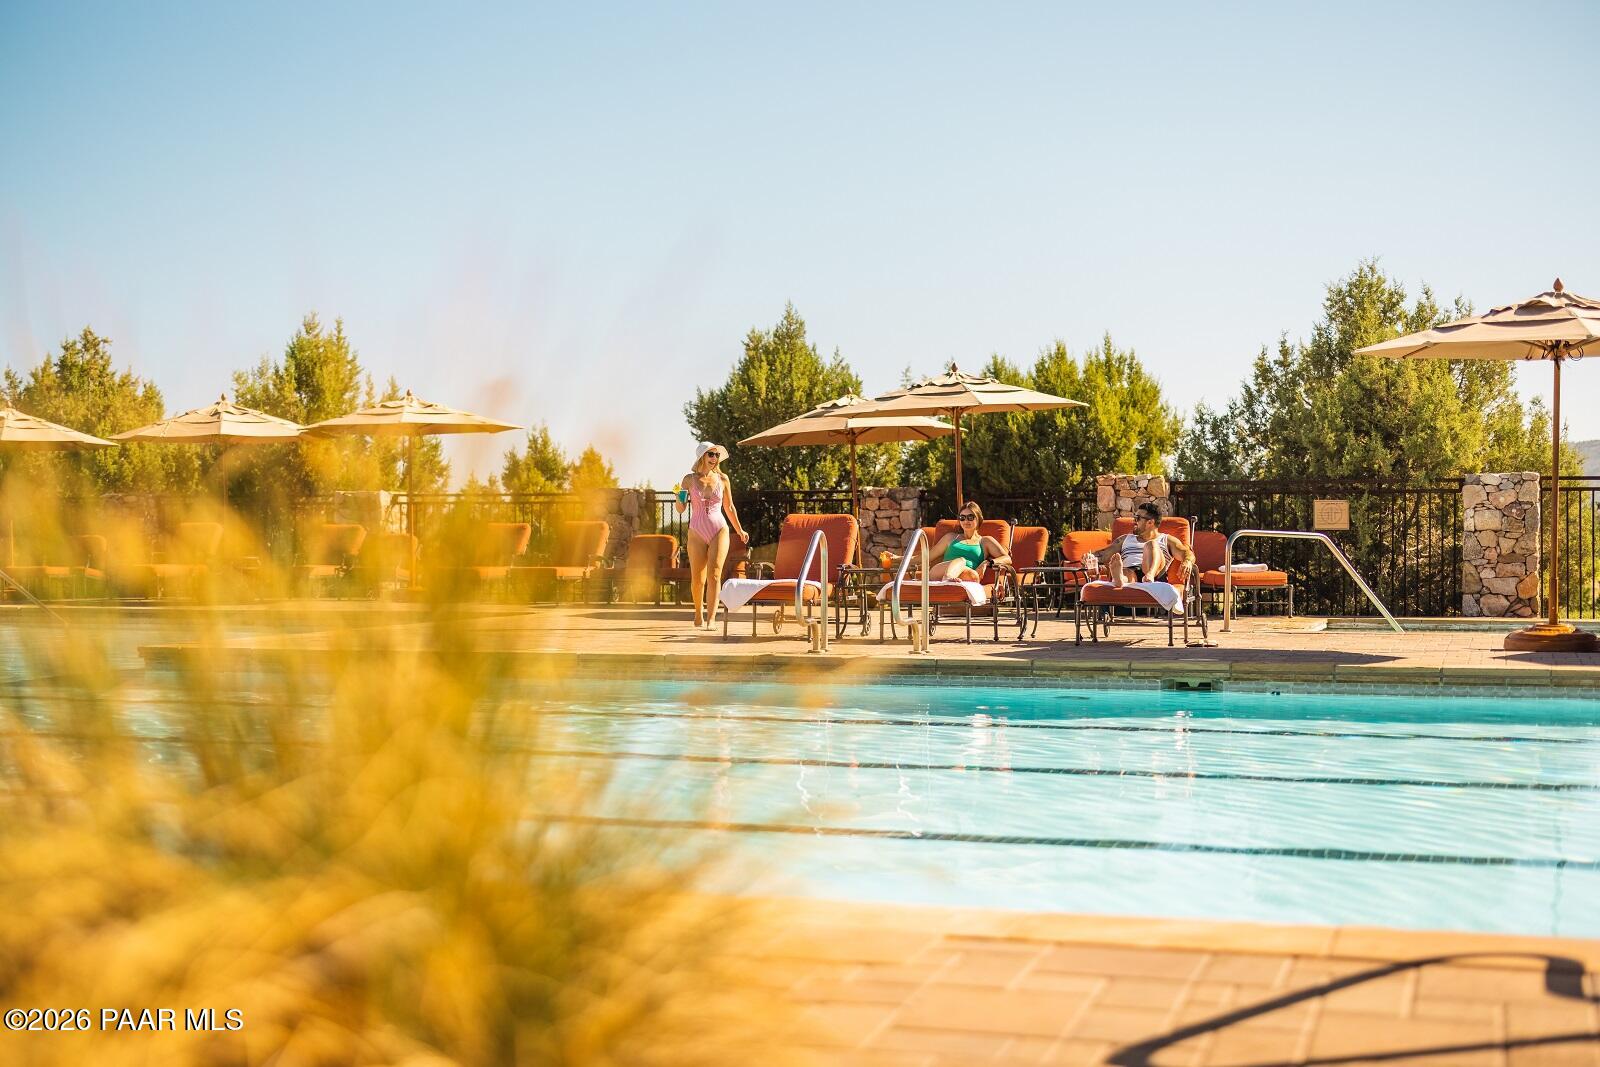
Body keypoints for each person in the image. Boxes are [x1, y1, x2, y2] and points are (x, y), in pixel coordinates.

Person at [675, 442, 748, 629]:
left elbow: (729, 507)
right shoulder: (688, 480)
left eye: (716, 455)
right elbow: (681, 509)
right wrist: (679, 496)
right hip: (696, 531)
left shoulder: (723, 479)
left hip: (719, 529)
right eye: (711, 455)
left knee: (714, 574)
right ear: (702, 457)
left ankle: (711, 618)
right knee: (697, 579)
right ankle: (698, 613)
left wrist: (739, 530)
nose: (715, 458)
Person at [886, 501, 1011, 581]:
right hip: (940, 573)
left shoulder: (985, 541)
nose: (966, 521)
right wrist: (897, 558)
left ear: (978, 518)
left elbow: (1007, 559)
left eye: (970, 517)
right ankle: (948, 578)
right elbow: (925, 557)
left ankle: (952, 582)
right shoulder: (951, 537)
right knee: (961, 560)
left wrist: (986, 563)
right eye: (962, 518)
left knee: (974, 576)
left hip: (967, 576)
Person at [1090, 501, 1194, 588]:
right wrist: (1090, 557)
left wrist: (1188, 561)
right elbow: (1103, 554)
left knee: (1151, 545)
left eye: (1138, 518)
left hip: (1156, 575)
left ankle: (1149, 576)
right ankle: (1120, 579)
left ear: (1150, 523)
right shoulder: (1125, 539)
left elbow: (1186, 552)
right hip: (1131, 573)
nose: (1134, 521)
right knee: (1126, 571)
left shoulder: (1167, 540)